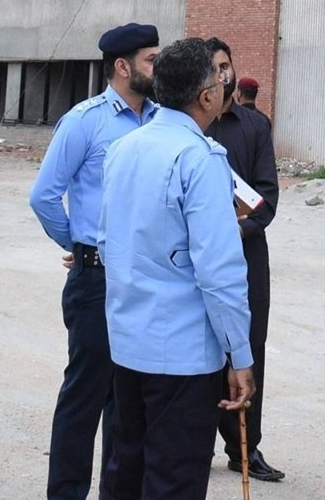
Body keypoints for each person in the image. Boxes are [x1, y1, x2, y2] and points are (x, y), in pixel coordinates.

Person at [97, 37, 256, 499]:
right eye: (219, 81)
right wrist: (240, 354)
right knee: (173, 481)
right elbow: (219, 272)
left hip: (128, 342)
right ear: (206, 96)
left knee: (125, 472)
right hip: (181, 355)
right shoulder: (200, 158)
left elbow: (107, 241)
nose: (224, 87)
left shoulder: (124, 148)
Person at [28, 23, 160, 500]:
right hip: (98, 280)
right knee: (85, 395)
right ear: (122, 67)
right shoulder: (85, 121)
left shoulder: (161, 120)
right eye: (151, 60)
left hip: (145, 278)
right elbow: (44, 196)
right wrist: (82, 245)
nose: (158, 67)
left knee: (129, 400)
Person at [202, 38, 284, 481]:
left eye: (226, 66)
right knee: (203, 347)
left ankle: (244, 448)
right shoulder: (191, 127)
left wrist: (239, 229)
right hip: (197, 258)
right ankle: (197, 444)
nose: (222, 74)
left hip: (247, 254)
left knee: (249, 348)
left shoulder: (254, 126)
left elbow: (266, 196)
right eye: (214, 68)